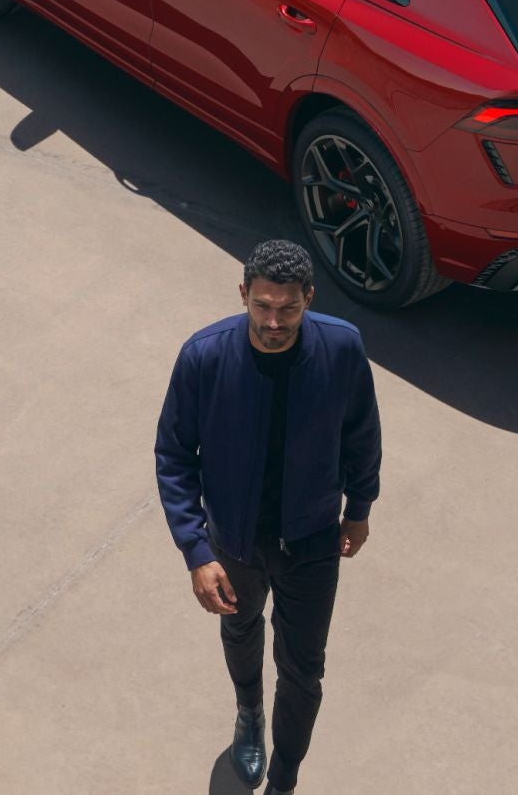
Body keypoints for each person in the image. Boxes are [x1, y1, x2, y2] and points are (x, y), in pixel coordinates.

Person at [156, 240, 381, 793]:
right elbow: (174, 455)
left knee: (304, 672)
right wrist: (196, 550)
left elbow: (361, 435)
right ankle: (249, 714)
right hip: (235, 541)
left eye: (288, 308)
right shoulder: (203, 357)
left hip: (312, 541)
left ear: (309, 298)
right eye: (261, 307)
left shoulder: (342, 348)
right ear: (243, 295)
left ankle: (284, 778)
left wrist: (360, 508)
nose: (274, 322)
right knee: (240, 628)